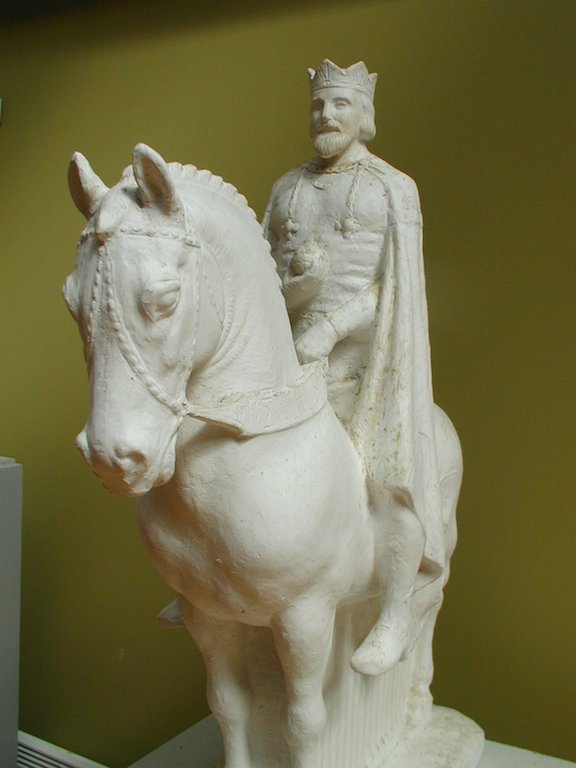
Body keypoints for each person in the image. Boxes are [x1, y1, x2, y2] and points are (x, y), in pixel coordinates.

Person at [263, 60, 444, 676]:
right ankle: (210, 575)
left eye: (339, 104)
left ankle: (395, 610)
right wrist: (297, 288)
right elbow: (263, 274)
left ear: (364, 113)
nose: (325, 116)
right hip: (286, 356)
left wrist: (331, 326)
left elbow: (396, 288)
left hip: (366, 364)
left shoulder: (392, 188)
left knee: (386, 476)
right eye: (318, 105)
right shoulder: (287, 188)